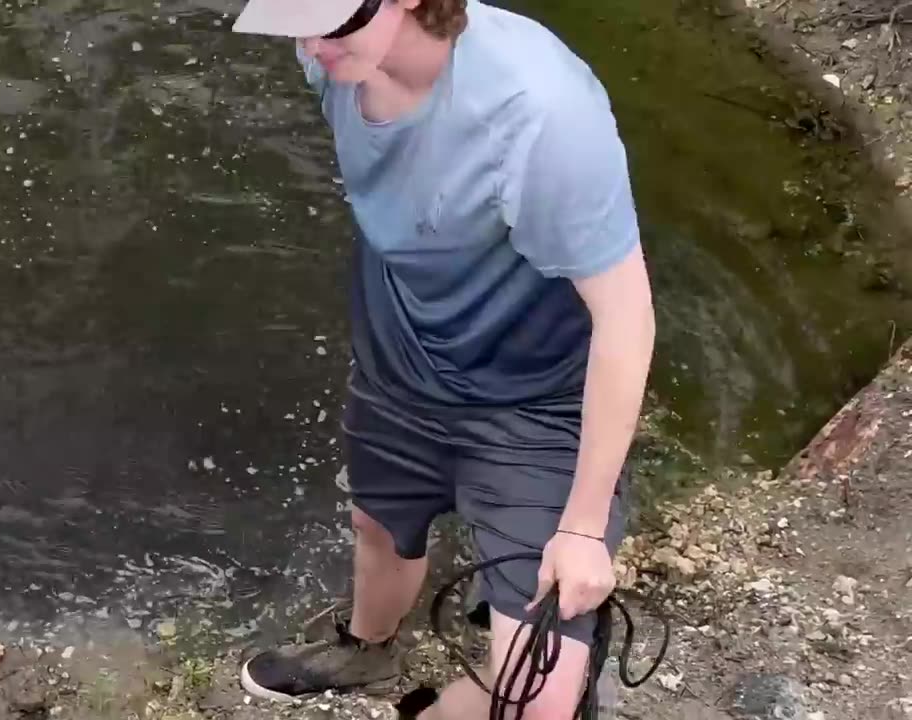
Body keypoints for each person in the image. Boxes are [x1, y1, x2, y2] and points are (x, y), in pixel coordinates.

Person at [229, 0, 656, 718]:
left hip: (536, 403)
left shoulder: (541, 115)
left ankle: (518, 683)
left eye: (328, 22)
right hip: (398, 360)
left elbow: (627, 316)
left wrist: (581, 530)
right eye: (294, 18)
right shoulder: (337, 51)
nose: (307, 43)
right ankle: (367, 649)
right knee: (378, 524)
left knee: (538, 706)